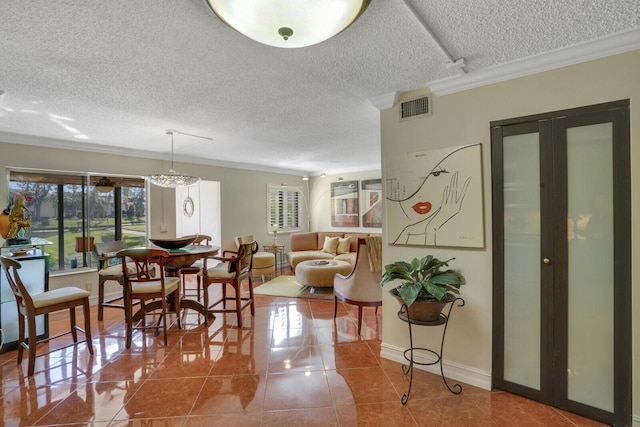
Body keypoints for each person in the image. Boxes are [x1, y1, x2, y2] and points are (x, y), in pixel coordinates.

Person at [385, 144, 479, 246]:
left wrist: (433, 226)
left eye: (436, 174)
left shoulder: (468, 227)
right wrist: (433, 226)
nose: (420, 195)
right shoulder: (408, 231)